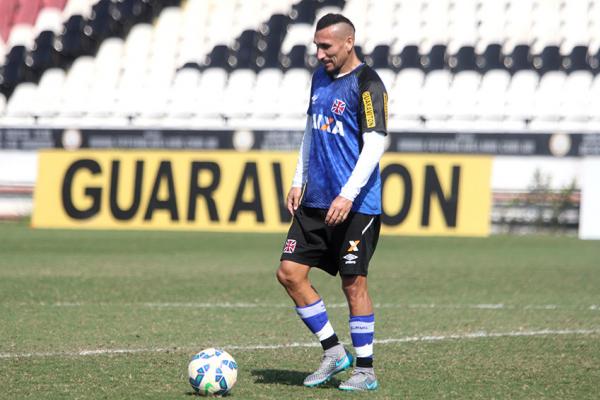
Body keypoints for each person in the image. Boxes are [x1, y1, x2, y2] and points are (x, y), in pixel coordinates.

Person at [276, 13, 388, 392]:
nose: (320, 53)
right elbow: (311, 130)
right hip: (316, 199)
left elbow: (375, 144)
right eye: (317, 46)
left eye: (326, 46)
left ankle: (365, 370)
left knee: (353, 284)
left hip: (357, 205)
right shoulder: (319, 78)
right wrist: (299, 179)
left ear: (348, 42)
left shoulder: (368, 84)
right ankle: (334, 352)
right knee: (289, 273)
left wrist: (348, 194)